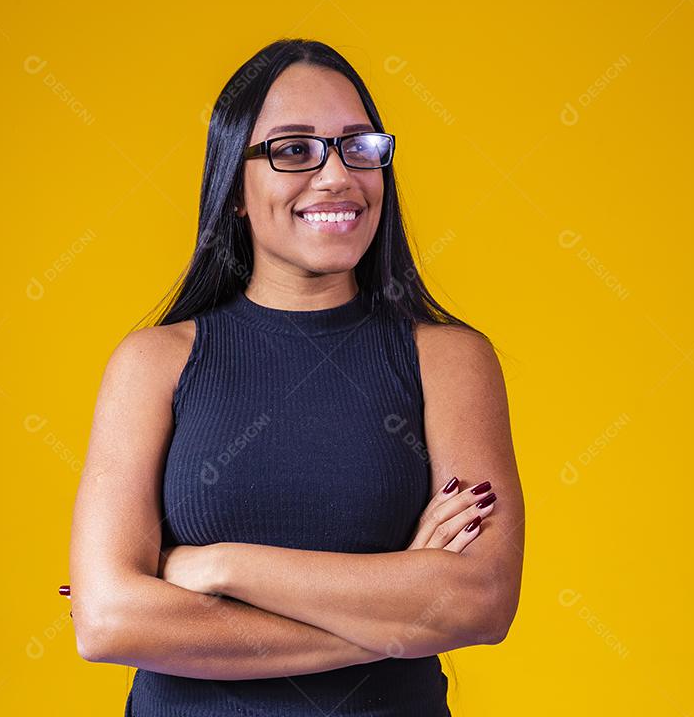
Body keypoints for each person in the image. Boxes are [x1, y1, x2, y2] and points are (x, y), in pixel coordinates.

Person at [68, 38, 524, 716]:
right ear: (235, 191)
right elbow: (110, 622)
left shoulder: (450, 361)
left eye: (358, 146)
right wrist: (396, 622)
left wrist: (218, 567)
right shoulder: (153, 363)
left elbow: (479, 603)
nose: (337, 176)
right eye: (293, 150)